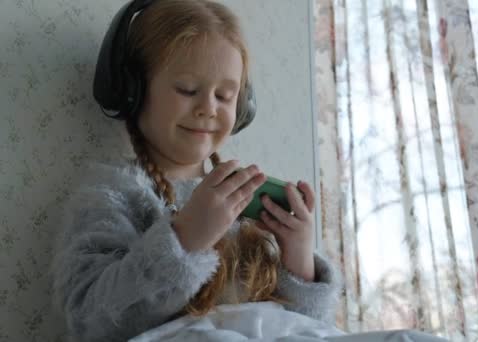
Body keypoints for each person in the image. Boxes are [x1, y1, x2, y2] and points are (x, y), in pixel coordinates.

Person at [50, 1, 341, 341]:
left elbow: (310, 330)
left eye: (225, 95)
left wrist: (299, 261)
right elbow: (88, 319)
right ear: (134, 90)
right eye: (188, 90)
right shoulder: (114, 193)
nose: (208, 108)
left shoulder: (247, 199)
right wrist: (185, 239)